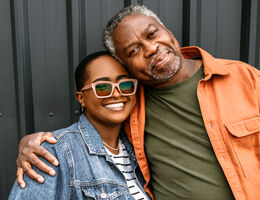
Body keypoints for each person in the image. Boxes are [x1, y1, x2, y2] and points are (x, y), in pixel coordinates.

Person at [16, 5, 260, 200]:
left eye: (152, 34)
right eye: (133, 51)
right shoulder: (130, 102)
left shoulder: (246, 78)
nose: (151, 48)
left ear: (167, 29)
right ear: (127, 65)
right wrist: (34, 144)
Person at [9, 51, 151, 199]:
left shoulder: (139, 147)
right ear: (81, 98)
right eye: (103, 87)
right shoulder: (55, 152)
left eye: (125, 84)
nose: (116, 94)